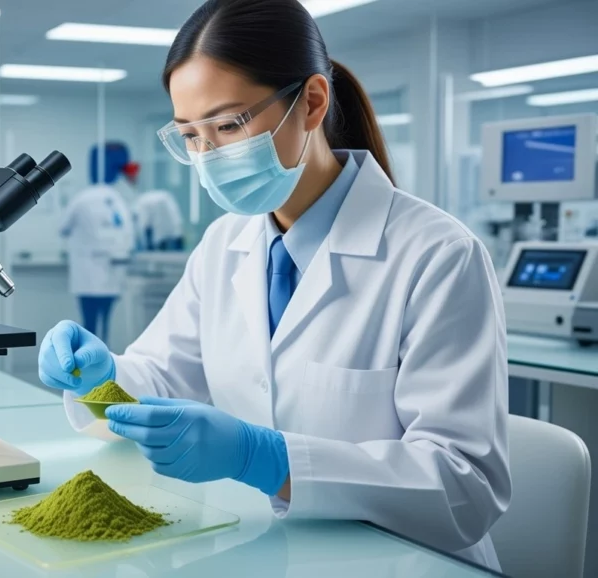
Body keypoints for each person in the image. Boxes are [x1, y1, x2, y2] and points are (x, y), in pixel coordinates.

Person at [38, 0, 510, 570]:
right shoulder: (222, 246)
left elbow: (465, 490)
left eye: (230, 124)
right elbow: (161, 378)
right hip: (266, 550)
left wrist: (267, 458)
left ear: (311, 102)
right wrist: (102, 378)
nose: (209, 155)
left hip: (406, 562)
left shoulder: (437, 256)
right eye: (190, 135)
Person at [59, 142, 136, 342]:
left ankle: (92, 365)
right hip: (112, 275)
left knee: (89, 324)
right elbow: (127, 234)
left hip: (87, 274)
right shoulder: (119, 199)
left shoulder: (82, 199)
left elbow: (63, 228)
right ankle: (102, 363)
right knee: (105, 325)